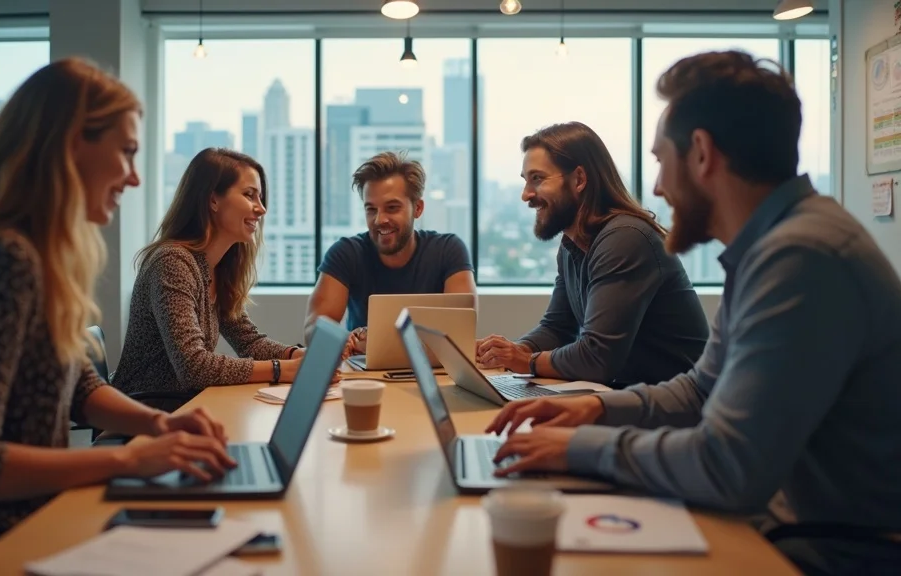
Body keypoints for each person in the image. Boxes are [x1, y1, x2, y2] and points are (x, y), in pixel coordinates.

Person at [486, 51, 901, 576]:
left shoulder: (802, 256)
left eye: (661, 160)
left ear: (701, 154)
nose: (657, 187)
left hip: (841, 547)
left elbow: (727, 468)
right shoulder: (774, 245)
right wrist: (593, 411)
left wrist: (579, 447)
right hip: (800, 522)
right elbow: (701, 389)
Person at [0, 59, 235, 576]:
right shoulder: (5, 258)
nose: (134, 178)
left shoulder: (40, 256)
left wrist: (158, 424)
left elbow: (81, 389)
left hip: (14, 522)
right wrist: (128, 460)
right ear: (71, 145)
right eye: (126, 153)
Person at [476, 122, 709, 387]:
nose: (526, 194)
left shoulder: (626, 238)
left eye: (537, 179)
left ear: (579, 180)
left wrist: (525, 361)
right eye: (526, 180)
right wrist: (508, 352)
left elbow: (597, 357)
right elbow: (557, 328)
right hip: (627, 398)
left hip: (675, 410)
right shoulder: (571, 245)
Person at [111, 148, 311, 396]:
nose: (261, 209)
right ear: (213, 199)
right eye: (250, 195)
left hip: (185, 405)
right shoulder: (172, 262)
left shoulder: (217, 267)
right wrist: (281, 369)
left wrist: (294, 354)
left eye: (260, 198)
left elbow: (249, 341)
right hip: (147, 411)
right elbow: (194, 367)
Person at [304, 151, 476, 354]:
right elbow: (313, 329)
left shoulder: (448, 250)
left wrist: (371, 343)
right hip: (364, 376)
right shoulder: (346, 253)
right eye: (371, 209)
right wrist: (343, 341)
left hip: (435, 373)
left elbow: (462, 331)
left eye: (392, 208)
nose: (379, 220)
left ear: (418, 208)